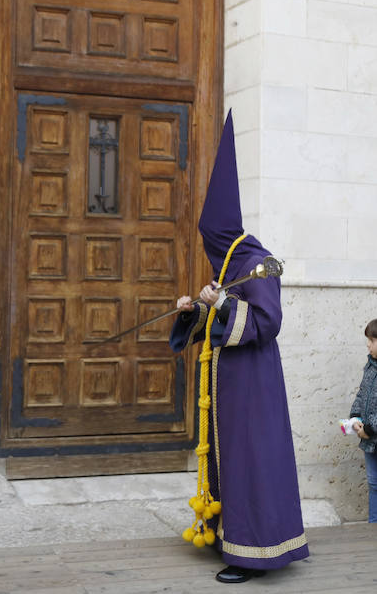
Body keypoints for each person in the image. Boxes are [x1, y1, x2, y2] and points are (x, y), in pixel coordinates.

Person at [170, 111, 308, 584]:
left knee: (250, 461)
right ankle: (228, 536)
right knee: (229, 460)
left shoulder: (258, 262)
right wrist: (196, 309)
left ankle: (254, 553)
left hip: (252, 387)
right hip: (228, 385)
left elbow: (268, 321)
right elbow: (220, 319)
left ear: (224, 234)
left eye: (211, 239)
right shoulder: (232, 265)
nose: (207, 246)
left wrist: (223, 302)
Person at [348, 319, 377, 523]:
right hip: (369, 438)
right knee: (373, 483)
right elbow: (361, 394)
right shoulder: (370, 366)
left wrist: (370, 428)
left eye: (372, 340)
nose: (368, 344)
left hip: (372, 432)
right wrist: (356, 418)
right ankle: (372, 526)